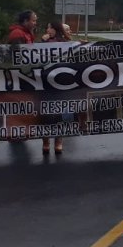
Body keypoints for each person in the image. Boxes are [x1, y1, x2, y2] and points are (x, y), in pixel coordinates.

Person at [39, 21, 73, 154]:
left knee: (60, 113)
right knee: (45, 113)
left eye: (49, 27)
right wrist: (42, 41)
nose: (47, 30)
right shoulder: (44, 41)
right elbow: (36, 56)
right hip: (45, 82)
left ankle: (58, 141)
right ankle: (45, 141)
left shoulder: (65, 42)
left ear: (55, 29)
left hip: (61, 82)